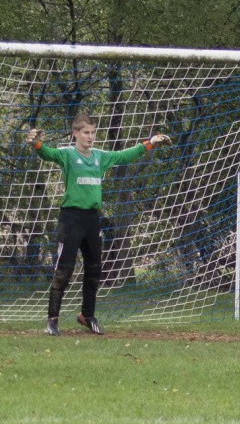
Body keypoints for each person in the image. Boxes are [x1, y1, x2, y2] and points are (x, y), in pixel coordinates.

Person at [27, 111, 170, 336]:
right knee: (63, 270)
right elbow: (47, 153)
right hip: (71, 219)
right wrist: (36, 143)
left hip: (92, 220)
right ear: (76, 134)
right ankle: (53, 320)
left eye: (93, 132)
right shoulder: (67, 154)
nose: (90, 137)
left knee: (94, 269)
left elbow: (124, 156)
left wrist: (149, 143)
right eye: (86, 133)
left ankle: (87, 315)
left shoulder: (100, 156)